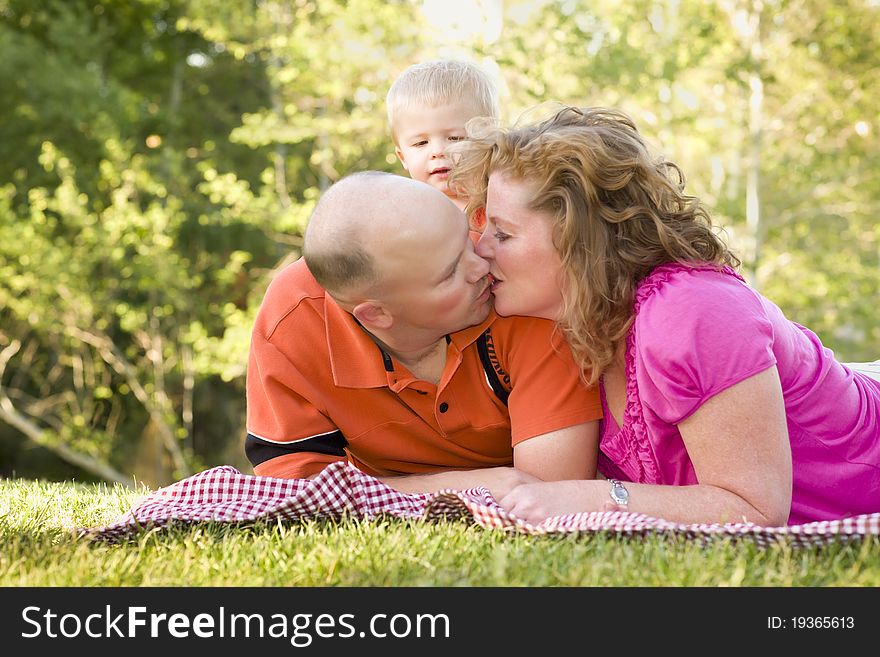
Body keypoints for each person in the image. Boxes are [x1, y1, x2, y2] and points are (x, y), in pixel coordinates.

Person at [449, 105, 880, 525]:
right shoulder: (571, 324)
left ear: (581, 241)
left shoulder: (692, 311)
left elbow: (756, 510)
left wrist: (594, 498)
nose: (481, 248)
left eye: (503, 233)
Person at [244, 171, 602, 497]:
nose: (482, 266)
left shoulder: (518, 293)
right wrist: (470, 485)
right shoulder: (293, 320)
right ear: (377, 314)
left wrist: (373, 492)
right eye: (449, 274)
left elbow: (550, 494)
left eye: (466, 239)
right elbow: (292, 491)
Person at [386, 59, 499, 214]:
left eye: (455, 138)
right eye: (421, 143)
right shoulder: (407, 216)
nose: (438, 151)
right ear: (403, 157)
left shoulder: (504, 202)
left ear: (489, 141)